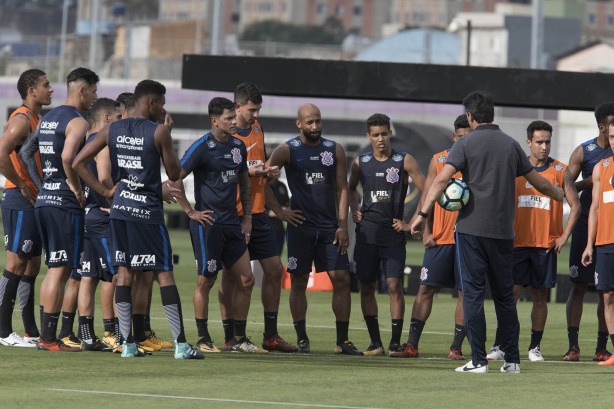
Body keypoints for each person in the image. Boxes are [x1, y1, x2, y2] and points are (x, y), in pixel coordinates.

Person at [410, 91, 564, 373]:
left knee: (473, 294)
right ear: (492, 113)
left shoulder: (465, 143)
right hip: (505, 233)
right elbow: (539, 182)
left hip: (471, 231)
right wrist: (558, 193)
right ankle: (513, 361)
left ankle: (479, 360)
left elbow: (443, 179)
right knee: (505, 296)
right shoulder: (511, 145)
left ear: (470, 116)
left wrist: (421, 215)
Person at [73, 79, 203, 359]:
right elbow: (175, 172)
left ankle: (128, 344)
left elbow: (78, 162)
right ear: (152, 103)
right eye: (162, 104)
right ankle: (181, 345)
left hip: (120, 212)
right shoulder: (158, 132)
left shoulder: (112, 129)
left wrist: (105, 191)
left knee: (124, 274)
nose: (163, 109)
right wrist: (168, 133)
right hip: (148, 214)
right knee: (164, 274)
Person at [169, 96, 263, 353]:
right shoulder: (201, 147)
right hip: (208, 225)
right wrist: (190, 211)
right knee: (206, 281)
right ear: (215, 121)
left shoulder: (237, 147)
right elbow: (175, 177)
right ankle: (202, 338)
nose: (234, 122)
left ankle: (237, 338)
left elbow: (244, 182)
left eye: (234, 117)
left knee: (246, 279)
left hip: (233, 224)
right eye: (229, 118)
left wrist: (247, 218)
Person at [266, 103, 361, 355]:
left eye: (318, 121)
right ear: (299, 124)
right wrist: (281, 211)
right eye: (309, 122)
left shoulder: (334, 149)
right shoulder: (287, 150)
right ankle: (302, 338)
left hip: (330, 227)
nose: (315, 126)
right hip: (300, 228)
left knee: (341, 279)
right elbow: (260, 180)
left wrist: (343, 225)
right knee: (298, 281)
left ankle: (342, 341)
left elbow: (342, 188)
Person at [487, 120, 580, 362]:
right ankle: (500, 344)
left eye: (548, 141)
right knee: (511, 295)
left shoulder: (560, 171)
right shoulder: (515, 169)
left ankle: (534, 347)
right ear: (528, 142)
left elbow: (576, 206)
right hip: (516, 244)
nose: (544, 146)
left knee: (540, 296)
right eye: (539, 142)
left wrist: (564, 235)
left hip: (545, 246)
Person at [217, 82, 297, 353]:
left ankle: (270, 335)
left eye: (258, 109)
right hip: (236, 214)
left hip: (260, 213)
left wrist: (272, 189)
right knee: (232, 278)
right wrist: (253, 172)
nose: (256, 115)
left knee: (275, 270)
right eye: (252, 109)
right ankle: (232, 337)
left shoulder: (257, 129)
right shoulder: (226, 135)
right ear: (237, 107)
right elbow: (226, 175)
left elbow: (258, 175)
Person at [29, 67, 98, 352]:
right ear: (82, 90)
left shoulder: (48, 118)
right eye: (93, 91)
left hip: (45, 199)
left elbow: (27, 153)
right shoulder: (78, 121)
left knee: (52, 269)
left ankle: (47, 336)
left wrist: (41, 184)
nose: (95, 97)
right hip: (64, 204)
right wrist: (75, 187)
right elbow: (69, 157)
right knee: (61, 269)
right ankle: (48, 338)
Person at [391, 114, 470, 359]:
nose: (463, 142)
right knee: (425, 289)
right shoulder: (439, 160)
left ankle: (456, 347)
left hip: (467, 239)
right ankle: (412, 344)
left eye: (468, 138)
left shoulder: (479, 161)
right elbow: (427, 195)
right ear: (453, 136)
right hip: (439, 238)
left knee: (464, 293)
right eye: (460, 138)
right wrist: (425, 231)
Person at [348, 113, 425, 357]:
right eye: (375, 135)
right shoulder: (361, 162)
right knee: (367, 286)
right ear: (368, 137)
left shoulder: (405, 160)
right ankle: (375, 343)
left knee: (393, 285)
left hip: (392, 235)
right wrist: (354, 210)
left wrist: (412, 221)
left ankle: (394, 343)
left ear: (390, 133)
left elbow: (428, 190)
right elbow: (349, 189)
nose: (381, 139)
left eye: (384, 133)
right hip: (367, 234)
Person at [0, 68, 53, 347]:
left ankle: (30, 330)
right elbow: (1, 152)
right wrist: (20, 184)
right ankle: (3, 331)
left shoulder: (37, 118)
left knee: (32, 264)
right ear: (32, 90)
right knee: (17, 262)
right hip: (19, 199)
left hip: (32, 198)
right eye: (46, 85)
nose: (51, 89)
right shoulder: (21, 119)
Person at [564, 103, 614, 362]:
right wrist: (584, 191)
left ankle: (601, 347)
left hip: (609, 229)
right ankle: (573, 345)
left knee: (607, 290)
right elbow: (566, 182)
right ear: (602, 126)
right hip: (586, 225)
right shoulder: (585, 151)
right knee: (579, 285)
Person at [76, 98, 123, 351]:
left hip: (87, 215)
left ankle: (86, 337)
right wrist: (112, 197)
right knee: (117, 274)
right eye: (117, 118)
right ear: (106, 119)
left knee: (89, 276)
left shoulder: (84, 142)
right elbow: (104, 175)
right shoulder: (103, 143)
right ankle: (118, 334)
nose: (119, 123)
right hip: (102, 215)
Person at [581, 120, 614, 366]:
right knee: (607, 297)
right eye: (612, 137)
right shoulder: (601, 167)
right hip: (605, 243)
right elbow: (593, 208)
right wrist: (589, 244)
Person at [267, 178, 290, 256]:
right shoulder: (262, 185)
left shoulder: (281, 185)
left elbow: (286, 202)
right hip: (266, 225)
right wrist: (271, 212)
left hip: (279, 225)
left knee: (278, 254)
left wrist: (285, 208)